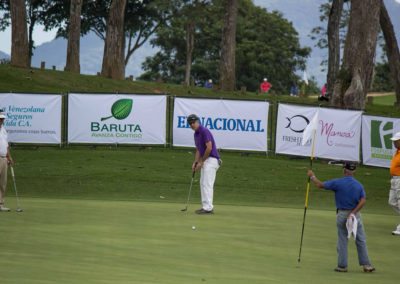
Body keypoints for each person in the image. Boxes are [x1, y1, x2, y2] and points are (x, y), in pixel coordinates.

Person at [307, 162, 375, 273]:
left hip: (342, 214)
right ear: (354, 171)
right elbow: (363, 201)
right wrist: (353, 213)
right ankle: (367, 265)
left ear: (344, 170)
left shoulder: (338, 182)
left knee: (343, 240)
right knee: (360, 239)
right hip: (355, 215)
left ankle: (342, 266)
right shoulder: (359, 185)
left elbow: (319, 185)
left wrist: (312, 176)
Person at [187, 114, 221, 214]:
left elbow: (209, 147)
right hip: (206, 160)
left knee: (207, 184)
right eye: (190, 123)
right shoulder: (196, 134)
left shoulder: (204, 131)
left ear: (198, 122)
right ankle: (205, 206)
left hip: (212, 159)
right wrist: (196, 162)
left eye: (193, 122)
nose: (192, 124)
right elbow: (198, 149)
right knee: (203, 183)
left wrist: (201, 162)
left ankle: (208, 208)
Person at [0, 112, 13, 212]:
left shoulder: (3, 130)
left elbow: (6, 145)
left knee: (3, 183)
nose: (1, 120)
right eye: (0, 118)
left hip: (4, 158)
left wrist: (9, 157)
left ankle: (0, 204)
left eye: (2, 119)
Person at [389, 132, 400, 235]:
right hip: (394, 180)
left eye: (396, 141)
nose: (394, 143)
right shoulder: (397, 152)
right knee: (392, 202)